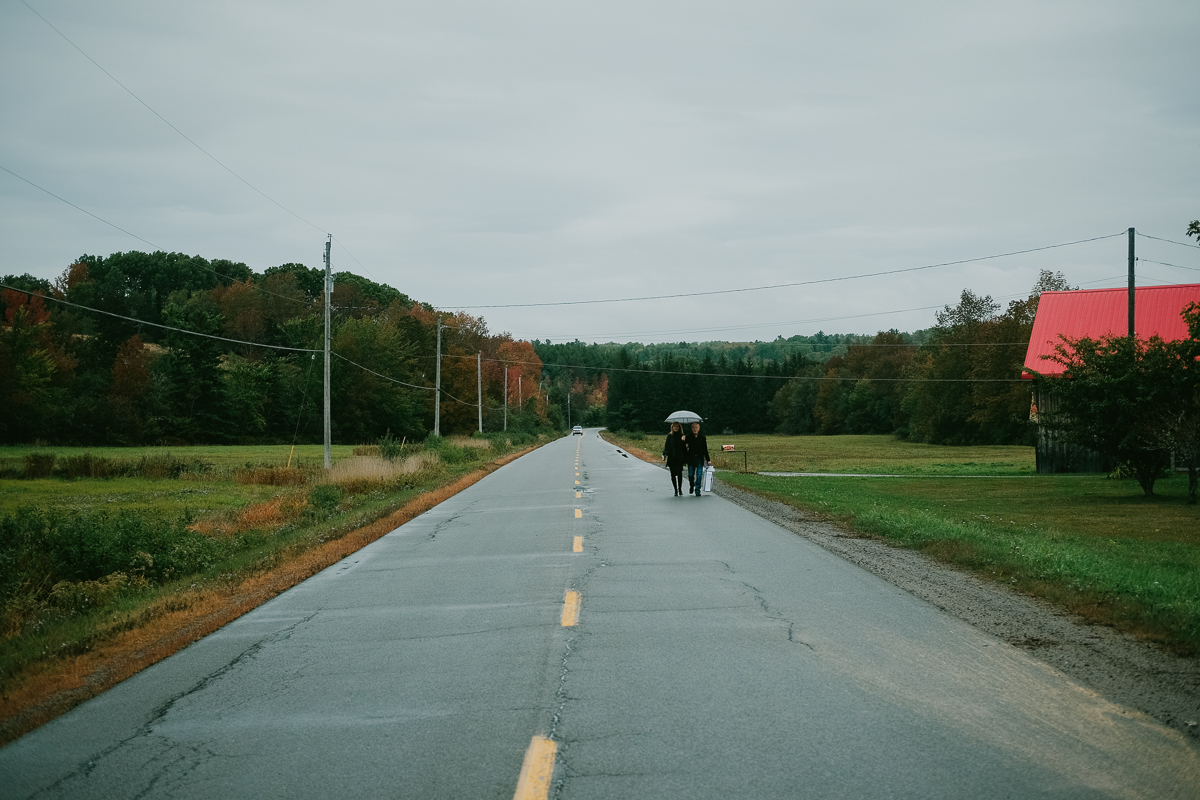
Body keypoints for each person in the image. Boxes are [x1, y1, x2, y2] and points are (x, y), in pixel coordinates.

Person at [683, 421, 711, 497]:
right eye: (693, 428)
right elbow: (684, 449)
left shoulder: (702, 438)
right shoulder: (688, 437)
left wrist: (708, 459)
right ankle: (692, 485)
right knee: (691, 475)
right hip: (691, 458)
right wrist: (684, 442)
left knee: (699, 474)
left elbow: (705, 449)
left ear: (699, 428)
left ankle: (697, 489)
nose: (695, 429)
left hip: (699, 458)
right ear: (691, 429)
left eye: (696, 428)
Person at [661, 421, 687, 496]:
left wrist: (684, 441)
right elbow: (666, 446)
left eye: (677, 426)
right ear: (672, 427)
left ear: (680, 428)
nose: (676, 428)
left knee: (679, 473)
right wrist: (664, 455)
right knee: (672, 474)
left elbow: (685, 448)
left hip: (680, 458)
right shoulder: (669, 436)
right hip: (672, 458)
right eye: (674, 426)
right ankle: (675, 489)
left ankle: (680, 489)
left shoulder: (682, 436)